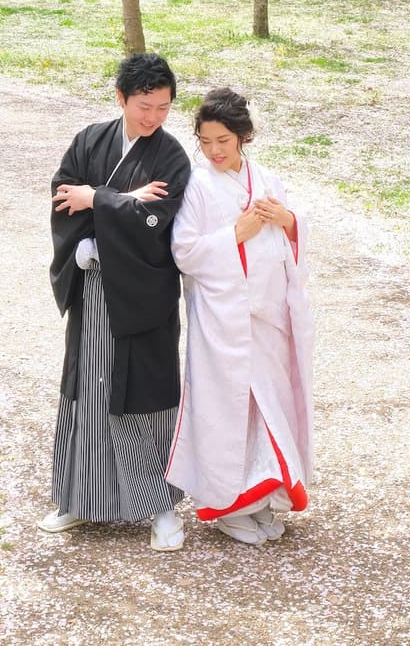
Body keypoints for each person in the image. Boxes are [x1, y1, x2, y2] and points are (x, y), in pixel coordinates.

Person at [43, 53, 192, 552]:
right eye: (145, 105)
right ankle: (78, 499)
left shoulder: (171, 157)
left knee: (140, 401)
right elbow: (64, 196)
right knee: (88, 392)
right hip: (92, 289)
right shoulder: (90, 140)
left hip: (142, 296)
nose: (153, 117)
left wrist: (100, 200)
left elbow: (160, 220)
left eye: (164, 107)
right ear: (121, 98)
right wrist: (111, 212)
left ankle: (160, 507)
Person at [166, 87, 314, 545]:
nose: (213, 151)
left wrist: (288, 222)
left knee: (270, 408)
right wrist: (237, 232)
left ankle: (264, 498)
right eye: (205, 141)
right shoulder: (197, 185)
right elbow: (185, 253)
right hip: (222, 318)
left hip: (267, 316)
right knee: (226, 410)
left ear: (244, 137)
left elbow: (294, 237)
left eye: (223, 141)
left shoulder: (267, 179)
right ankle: (229, 506)